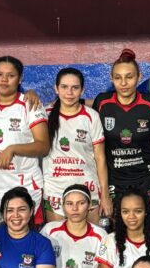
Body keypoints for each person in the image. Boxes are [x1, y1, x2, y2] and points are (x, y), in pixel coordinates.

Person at [0, 55, 50, 222]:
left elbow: (43, 146)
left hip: (25, 187)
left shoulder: (30, 104)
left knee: (24, 235)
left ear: (20, 78)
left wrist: (13, 149)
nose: (4, 80)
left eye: (11, 75)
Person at [93, 49, 150, 211]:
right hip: (114, 178)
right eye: (118, 77)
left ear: (139, 76)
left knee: (149, 224)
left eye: (129, 77)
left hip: (145, 175)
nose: (123, 83)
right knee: (117, 225)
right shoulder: (102, 103)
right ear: (111, 78)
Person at [42, 68, 109, 222]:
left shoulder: (92, 117)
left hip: (88, 188)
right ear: (56, 88)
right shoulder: (45, 115)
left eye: (75, 87)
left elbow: (100, 159)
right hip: (55, 190)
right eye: (64, 87)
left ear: (82, 90)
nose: (69, 92)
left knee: (92, 236)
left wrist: (105, 196)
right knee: (57, 236)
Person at [42, 183, 108, 268]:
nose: (75, 208)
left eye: (81, 203)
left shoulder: (101, 236)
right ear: (63, 206)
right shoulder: (49, 231)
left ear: (90, 206)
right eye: (69, 203)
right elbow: (38, 267)